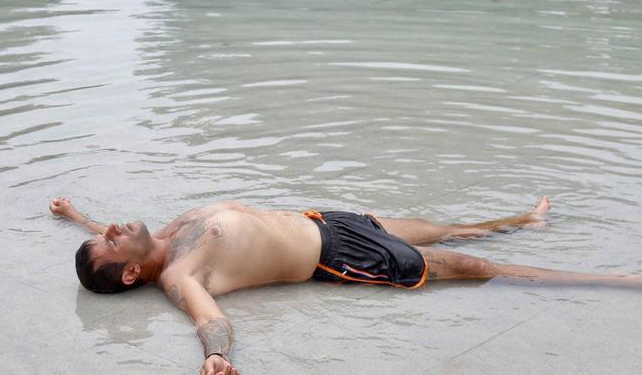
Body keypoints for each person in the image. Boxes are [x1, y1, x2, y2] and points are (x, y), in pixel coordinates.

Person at [49, 196, 641, 375]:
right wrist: (217, 357)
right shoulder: (180, 275)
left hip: (326, 221)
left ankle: (522, 221)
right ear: (129, 272)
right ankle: (616, 280)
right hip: (338, 256)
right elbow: (210, 318)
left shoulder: (170, 232)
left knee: (445, 225)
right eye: (109, 237)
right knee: (468, 265)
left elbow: (109, 231)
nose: (115, 226)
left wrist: (76, 219)